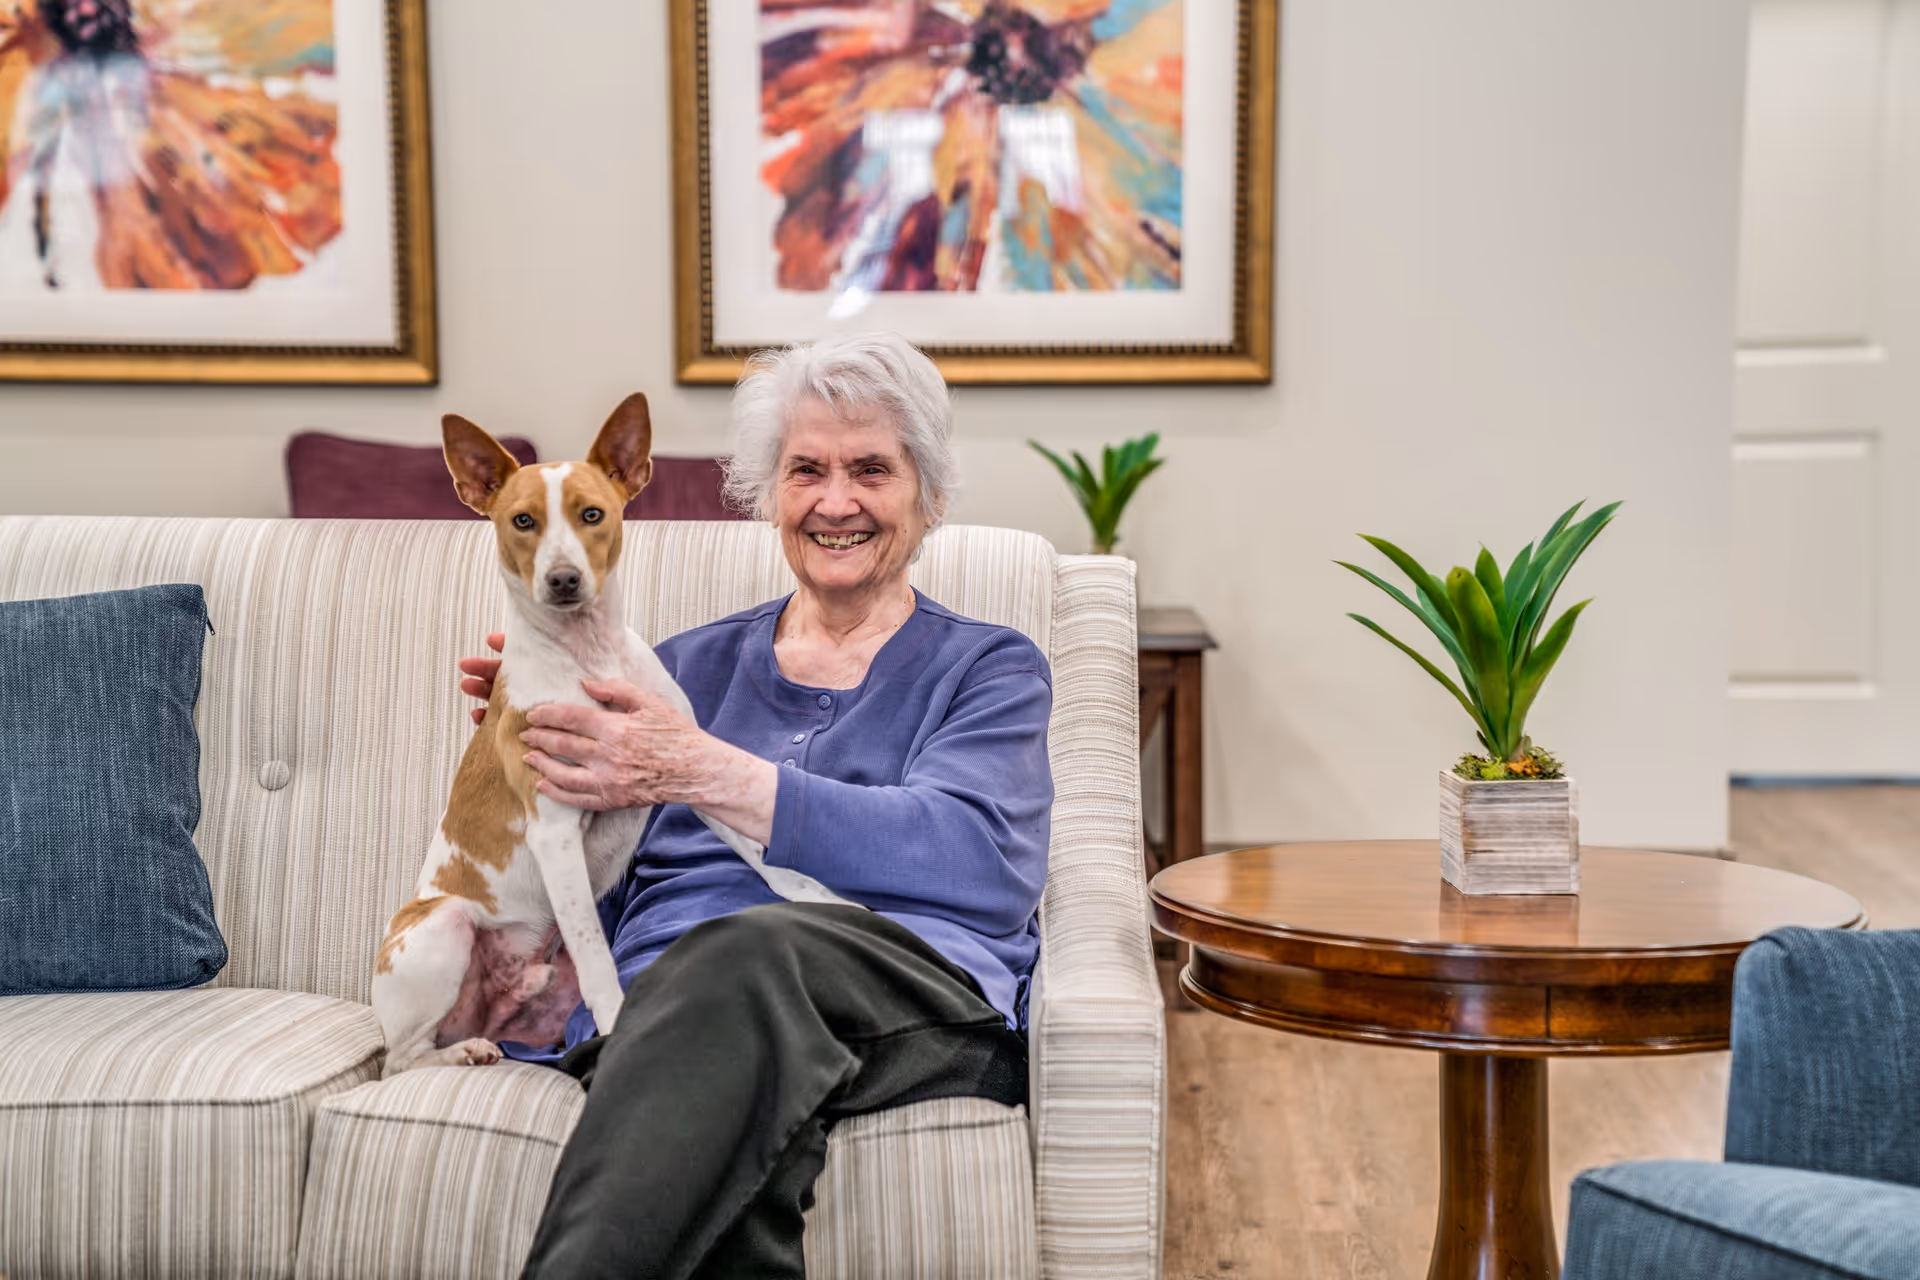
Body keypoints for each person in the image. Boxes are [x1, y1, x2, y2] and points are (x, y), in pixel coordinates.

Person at [456, 332, 1053, 1279]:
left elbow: (977, 861)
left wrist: (700, 767)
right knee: (721, 1059)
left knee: (741, 955)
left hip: (906, 992)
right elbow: (575, 876)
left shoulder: (988, 668)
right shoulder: (674, 670)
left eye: (871, 470)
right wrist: (527, 738)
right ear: (770, 496)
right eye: (806, 470)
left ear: (929, 496)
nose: (835, 501)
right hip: (673, 1015)